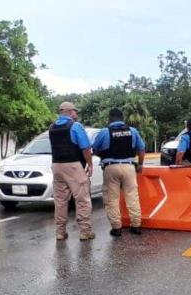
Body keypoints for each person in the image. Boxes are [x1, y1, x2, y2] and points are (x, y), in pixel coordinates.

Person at [93, 108, 146, 237]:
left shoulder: (104, 132)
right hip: (129, 167)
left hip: (111, 167)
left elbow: (95, 149)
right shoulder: (132, 131)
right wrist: (140, 164)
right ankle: (136, 226)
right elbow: (142, 149)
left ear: (110, 119)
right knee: (132, 196)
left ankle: (116, 228)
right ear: (122, 118)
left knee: (112, 199)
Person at [49, 102, 95, 241]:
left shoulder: (51, 128)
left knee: (60, 201)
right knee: (82, 199)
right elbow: (86, 148)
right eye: (75, 111)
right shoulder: (75, 126)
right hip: (73, 166)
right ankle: (85, 231)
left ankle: (60, 232)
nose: (76, 114)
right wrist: (90, 164)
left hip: (57, 165)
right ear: (69, 112)